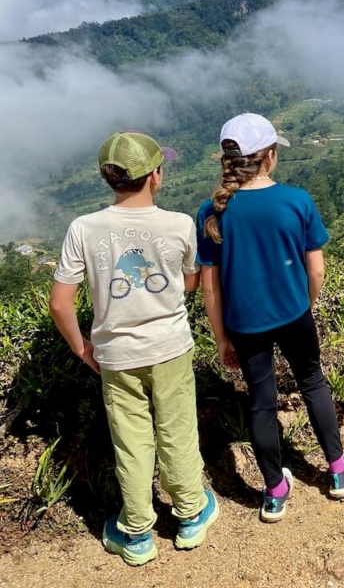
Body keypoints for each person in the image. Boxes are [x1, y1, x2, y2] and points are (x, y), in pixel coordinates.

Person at [49, 131, 218, 567]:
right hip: (170, 348)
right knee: (178, 430)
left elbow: (59, 302)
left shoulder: (82, 229)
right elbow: (191, 283)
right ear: (156, 176)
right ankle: (190, 515)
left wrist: (82, 348)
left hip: (116, 356)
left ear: (108, 178)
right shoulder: (180, 224)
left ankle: (137, 531)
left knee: (131, 442)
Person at [196, 113, 344, 523]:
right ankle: (338, 471)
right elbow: (316, 270)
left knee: (261, 402)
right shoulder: (296, 200)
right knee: (312, 382)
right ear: (269, 157)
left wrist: (222, 339)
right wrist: (304, 303)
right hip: (294, 314)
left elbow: (209, 287)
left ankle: (274, 490)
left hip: (244, 322)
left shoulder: (211, 212)